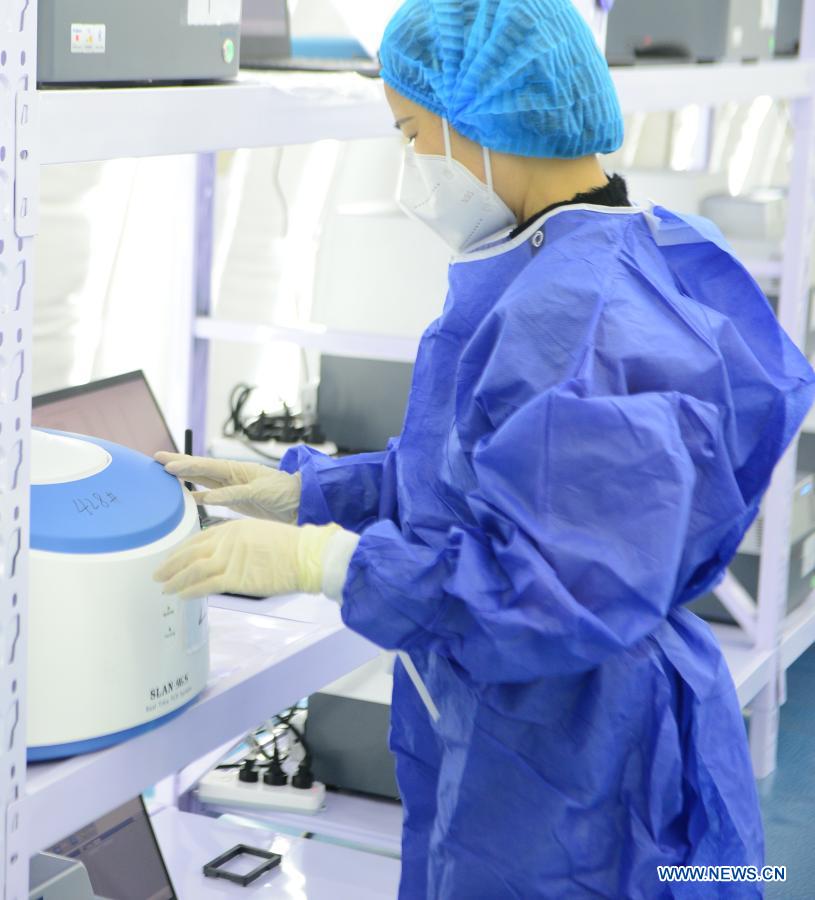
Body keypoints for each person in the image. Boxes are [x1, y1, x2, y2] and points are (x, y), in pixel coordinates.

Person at [154, 1, 815, 896]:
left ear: (487, 125)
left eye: (410, 132)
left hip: (577, 758)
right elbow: (488, 479)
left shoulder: (571, 318)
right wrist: (303, 492)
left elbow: (546, 589)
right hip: (555, 724)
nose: (411, 163)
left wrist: (325, 561)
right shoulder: (603, 249)